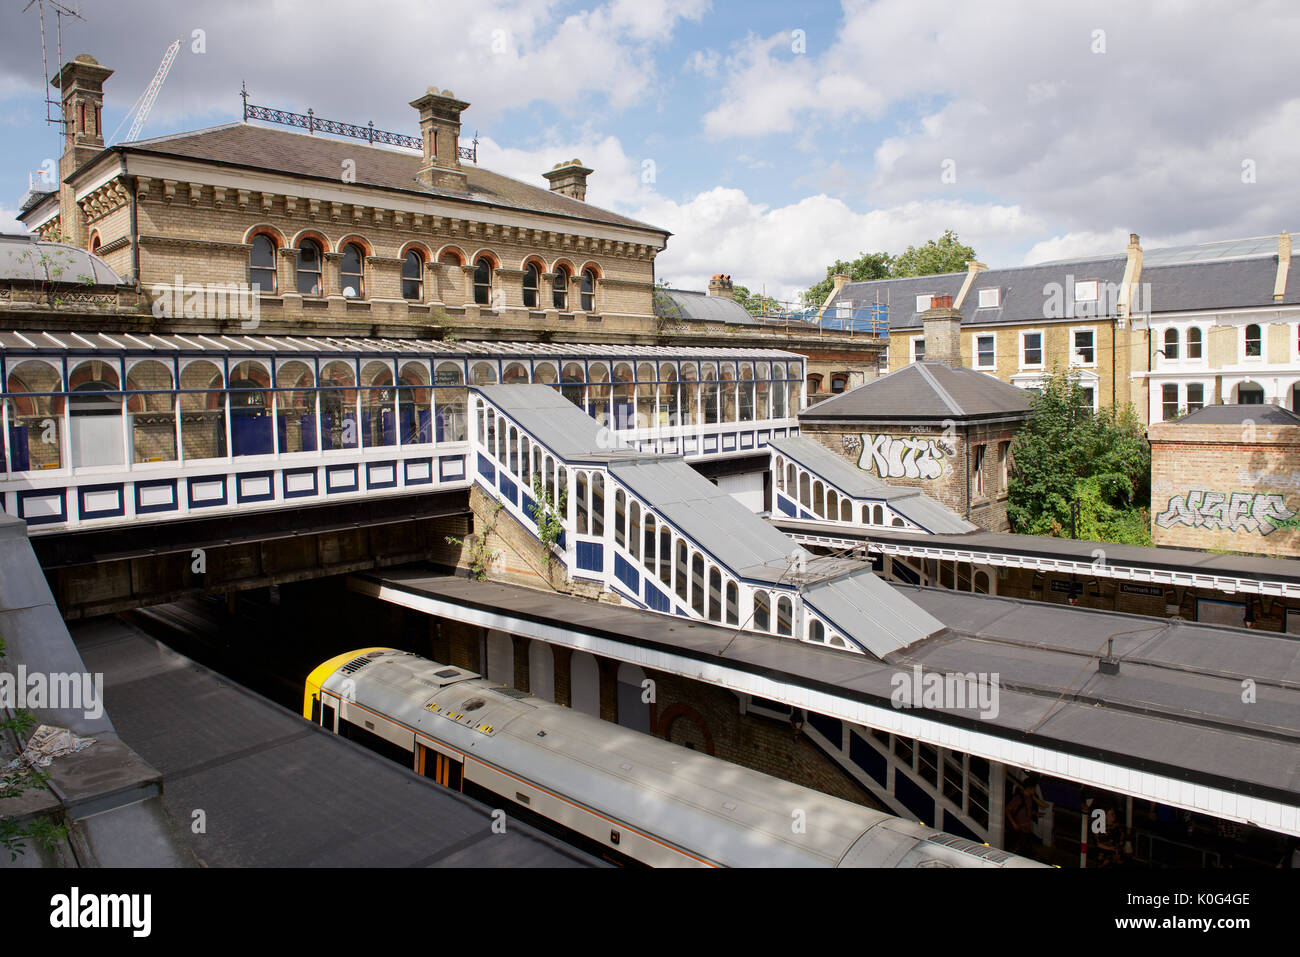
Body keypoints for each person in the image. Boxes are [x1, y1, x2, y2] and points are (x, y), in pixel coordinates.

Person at [1005, 774, 1039, 854]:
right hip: (1019, 827)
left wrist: (1034, 813)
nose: (1035, 790)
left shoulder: (1029, 798)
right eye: (1034, 788)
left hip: (1025, 827)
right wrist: (1014, 823)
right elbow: (1008, 809)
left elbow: (1027, 809)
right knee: (1018, 846)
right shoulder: (1018, 798)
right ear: (1030, 788)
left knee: (1023, 846)